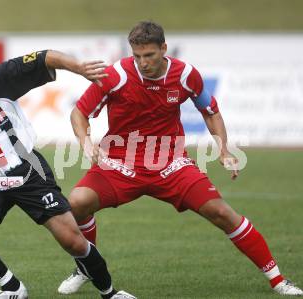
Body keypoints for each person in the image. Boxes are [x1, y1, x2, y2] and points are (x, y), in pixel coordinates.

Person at [57, 21, 303, 297]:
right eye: (137, 56)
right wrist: (86, 143)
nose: (143, 63)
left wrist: (223, 149)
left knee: (221, 212)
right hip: (119, 162)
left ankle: (278, 280)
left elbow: (210, 111)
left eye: (149, 55)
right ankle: (86, 267)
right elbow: (78, 113)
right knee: (76, 203)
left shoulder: (186, 75)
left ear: (164, 48)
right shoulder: (115, 76)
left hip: (170, 163)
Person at [0, 38, 136, 299]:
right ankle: (12, 288)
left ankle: (110, 293)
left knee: (73, 241)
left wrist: (78, 67)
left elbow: (44, 57)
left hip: (28, 171)